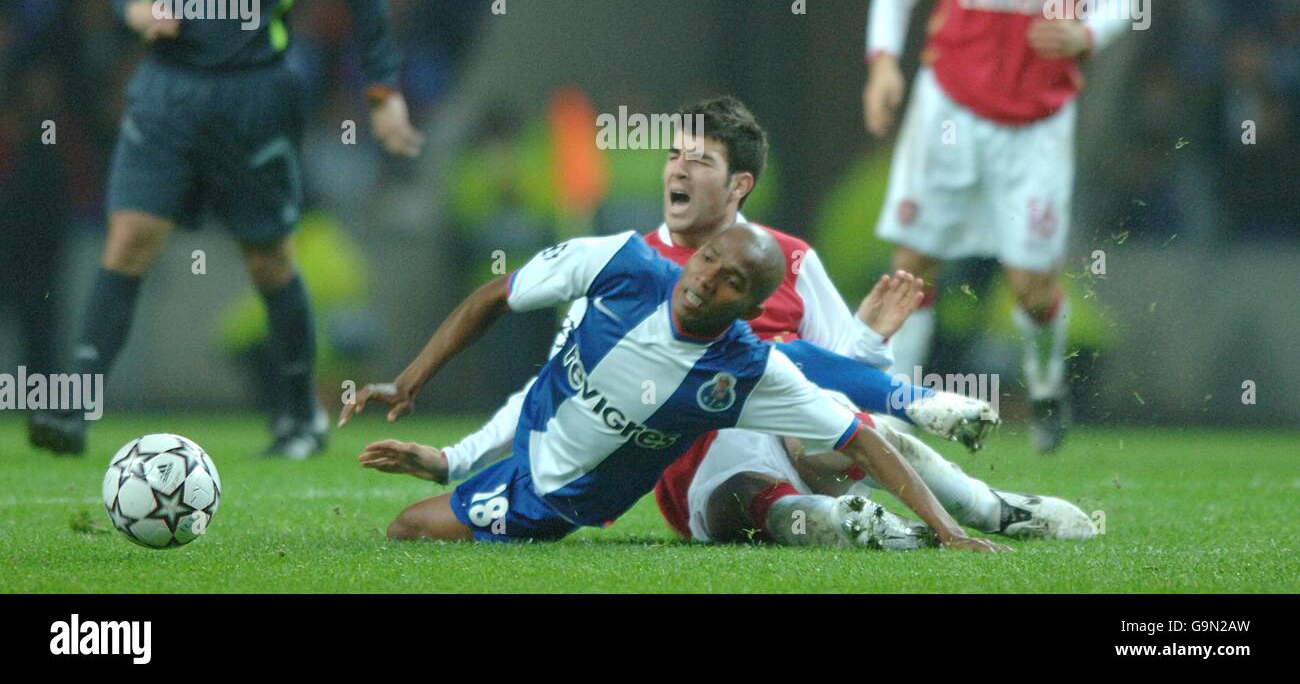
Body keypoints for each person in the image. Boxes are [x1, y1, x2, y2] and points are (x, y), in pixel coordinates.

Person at [351, 97, 1097, 545]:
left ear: (739, 184)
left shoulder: (788, 265)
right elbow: (554, 385)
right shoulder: (626, 264)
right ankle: (847, 523)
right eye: (673, 155)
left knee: (846, 418)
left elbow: (839, 381)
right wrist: (457, 456)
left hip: (794, 435)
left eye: (697, 160)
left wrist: (869, 344)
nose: (675, 170)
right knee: (749, 474)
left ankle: (991, 510)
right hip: (698, 470)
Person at [30, 0, 422, 458]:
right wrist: (133, 9)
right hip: (167, 89)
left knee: (269, 258)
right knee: (129, 238)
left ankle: (299, 415)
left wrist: (382, 91)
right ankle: (74, 407)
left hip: (256, 91)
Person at [341, 223, 1008, 552]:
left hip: (550, 503)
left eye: (732, 282)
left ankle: (974, 505)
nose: (709, 277)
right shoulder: (622, 264)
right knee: (407, 528)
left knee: (408, 531)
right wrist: (410, 379)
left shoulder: (743, 369)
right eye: (710, 258)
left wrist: (945, 530)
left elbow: (860, 440)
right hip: (525, 453)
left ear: (749, 308)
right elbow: (495, 295)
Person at [862, 0, 1135, 451]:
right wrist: (884, 61)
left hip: (1038, 121)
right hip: (948, 103)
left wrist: (1085, 31)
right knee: (912, 265)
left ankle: (1045, 390)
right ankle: (898, 410)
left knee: (1034, 289)